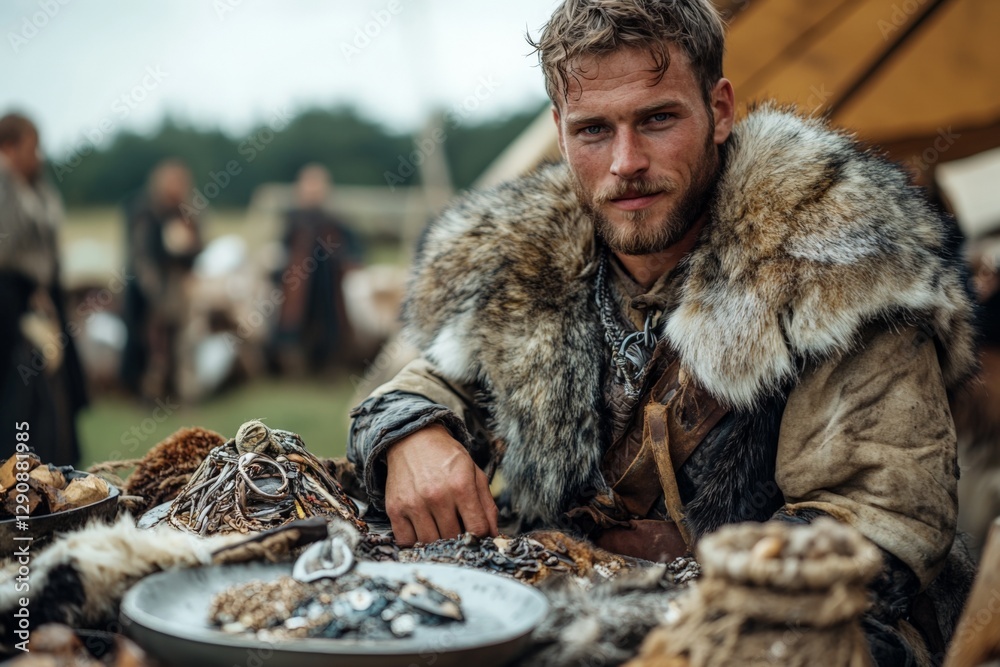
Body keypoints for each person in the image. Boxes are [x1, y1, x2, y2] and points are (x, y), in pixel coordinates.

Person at [348, 1, 975, 662]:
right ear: (560, 133)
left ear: (720, 109)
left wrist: (655, 617)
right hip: (572, 618)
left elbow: (871, 530)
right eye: (594, 130)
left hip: (780, 634)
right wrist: (412, 433)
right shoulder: (526, 267)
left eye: (657, 119)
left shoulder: (833, 264)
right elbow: (420, 387)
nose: (626, 162)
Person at [0, 112, 88, 464]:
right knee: (22, 395)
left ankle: (55, 466)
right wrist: (30, 287)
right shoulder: (4, 187)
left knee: (54, 390)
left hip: (38, 298)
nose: (37, 157)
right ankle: (21, 478)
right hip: (10, 303)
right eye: (31, 148)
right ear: (9, 147)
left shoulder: (33, 186)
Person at [120, 159, 202, 400]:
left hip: (178, 287)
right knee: (152, 342)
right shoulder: (145, 212)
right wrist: (154, 290)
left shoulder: (188, 212)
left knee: (179, 341)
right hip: (150, 289)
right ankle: (147, 391)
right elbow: (141, 255)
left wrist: (188, 250)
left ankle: (177, 390)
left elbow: (197, 247)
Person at [273, 164, 362, 374]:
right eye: (308, 185)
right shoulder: (293, 220)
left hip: (329, 285)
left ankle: (330, 360)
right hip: (297, 285)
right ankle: (290, 357)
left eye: (317, 186)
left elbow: (354, 253)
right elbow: (283, 251)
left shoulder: (336, 222)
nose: (312, 191)